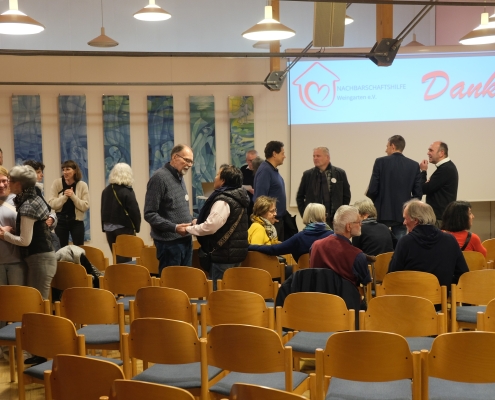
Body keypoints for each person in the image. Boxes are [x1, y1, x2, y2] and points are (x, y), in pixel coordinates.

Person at [178, 164, 249, 290]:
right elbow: (225, 222)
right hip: (233, 253)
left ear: (223, 180)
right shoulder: (238, 197)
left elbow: (210, 227)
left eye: (217, 175)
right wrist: (197, 222)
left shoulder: (223, 200)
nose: (215, 178)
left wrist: (188, 229)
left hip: (223, 256)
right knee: (230, 293)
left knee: (218, 294)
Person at [0, 165, 56, 299]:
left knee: (35, 301)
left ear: (18, 184)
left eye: (8, 181)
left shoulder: (27, 205)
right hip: (37, 257)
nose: (6, 184)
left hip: (39, 258)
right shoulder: (30, 198)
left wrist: (4, 235)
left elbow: (24, 241)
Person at [388, 200, 468, 288]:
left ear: (416, 220)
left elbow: (392, 276)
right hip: (442, 295)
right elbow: (463, 274)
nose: (404, 223)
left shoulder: (405, 242)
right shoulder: (450, 240)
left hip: (411, 295)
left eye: (405, 218)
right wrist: (445, 285)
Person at [144, 144, 194, 274]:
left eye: (191, 162)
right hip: (169, 244)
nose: (189, 165)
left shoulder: (179, 177)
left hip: (186, 240)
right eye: (187, 160)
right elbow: (149, 214)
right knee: (171, 283)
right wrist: (174, 227)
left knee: (186, 282)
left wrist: (192, 220)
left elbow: (176, 208)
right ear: (175, 157)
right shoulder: (159, 178)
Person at [366, 135, 422, 240]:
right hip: (402, 214)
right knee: (399, 244)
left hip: (382, 212)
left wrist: (378, 201)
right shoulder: (414, 165)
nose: (385, 150)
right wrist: (407, 207)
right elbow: (417, 194)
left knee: (382, 242)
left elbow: (373, 189)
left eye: (387, 146)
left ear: (392, 146)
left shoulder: (380, 162)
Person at [310, 205, 372, 289]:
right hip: (345, 297)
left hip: (317, 295)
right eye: (358, 222)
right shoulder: (356, 255)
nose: (361, 224)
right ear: (348, 227)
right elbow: (366, 281)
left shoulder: (315, 246)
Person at [248, 203, 333, 263]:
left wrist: (249, 246)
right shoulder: (333, 236)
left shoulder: (299, 238)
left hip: (303, 277)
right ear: (322, 216)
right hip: (328, 279)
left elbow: (273, 250)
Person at [296, 147, 351, 228]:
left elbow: (346, 196)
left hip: (334, 220)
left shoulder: (339, 173)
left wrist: (340, 216)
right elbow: (300, 197)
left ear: (327, 157)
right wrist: (305, 215)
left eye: (318, 156)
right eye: (314, 156)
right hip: (313, 221)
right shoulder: (308, 175)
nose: (315, 158)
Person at [101, 163, 141, 263]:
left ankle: (117, 273)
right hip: (124, 229)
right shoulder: (127, 191)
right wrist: (137, 227)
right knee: (125, 260)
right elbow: (134, 211)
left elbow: (103, 210)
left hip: (109, 229)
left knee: (116, 258)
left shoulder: (106, 191)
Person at [48, 160, 89, 247]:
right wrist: (64, 197)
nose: (65, 172)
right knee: (61, 248)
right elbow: (51, 204)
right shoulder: (57, 183)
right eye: (63, 170)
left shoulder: (82, 185)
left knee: (79, 249)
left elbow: (85, 206)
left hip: (77, 222)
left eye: (68, 169)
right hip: (60, 221)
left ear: (75, 171)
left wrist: (73, 196)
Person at [253, 141, 287, 240]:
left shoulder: (272, 170)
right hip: (271, 223)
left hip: (276, 221)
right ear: (274, 154)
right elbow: (260, 199)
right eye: (282, 153)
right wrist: (268, 219)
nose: (284, 156)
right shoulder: (265, 171)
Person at [419, 141, 459, 227]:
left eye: (431, 150)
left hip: (439, 219)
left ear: (441, 153)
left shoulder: (445, 169)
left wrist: (423, 171)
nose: (428, 153)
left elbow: (423, 189)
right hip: (441, 217)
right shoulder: (446, 167)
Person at [0, 166, 26, 286]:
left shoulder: (18, 198)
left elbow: (46, 214)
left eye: (4, 181)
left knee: (18, 296)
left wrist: (52, 219)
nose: (1, 185)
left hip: (17, 260)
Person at [240, 149, 258, 221]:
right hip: (245, 202)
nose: (252, 163)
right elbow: (238, 184)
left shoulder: (261, 171)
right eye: (250, 161)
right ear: (246, 160)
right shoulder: (242, 170)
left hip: (257, 203)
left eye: (254, 160)